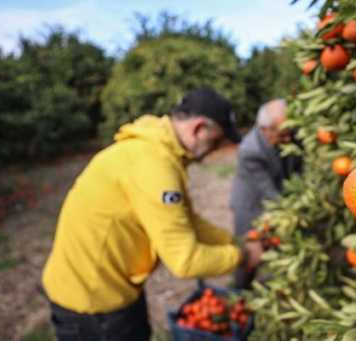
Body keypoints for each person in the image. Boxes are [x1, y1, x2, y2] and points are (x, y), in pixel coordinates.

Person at [41, 88, 263, 341]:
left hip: (110, 287)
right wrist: (243, 256)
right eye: (216, 142)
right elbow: (185, 261)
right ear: (198, 129)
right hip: (94, 305)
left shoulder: (156, 151)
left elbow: (188, 222)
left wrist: (234, 242)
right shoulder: (155, 165)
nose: (214, 151)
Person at [229, 98, 301, 289]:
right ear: (264, 129)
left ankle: (275, 285)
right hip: (251, 205)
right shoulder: (250, 151)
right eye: (283, 134)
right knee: (250, 252)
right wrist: (294, 211)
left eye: (290, 133)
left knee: (276, 246)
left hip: (276, 196)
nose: (288, 139)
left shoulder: (289, 135)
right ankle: (239, 291)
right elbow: (268, 191)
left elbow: (298, 171)